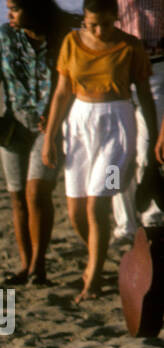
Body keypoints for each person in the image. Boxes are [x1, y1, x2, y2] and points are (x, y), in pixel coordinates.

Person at [43, 0, 158, 301]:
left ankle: (92, 279)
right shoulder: (71, 42)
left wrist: (154, 136)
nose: (99, 30)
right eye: (92, 24)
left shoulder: (129, 46)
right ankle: (99, 254)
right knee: (76, 211)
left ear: (116, 18)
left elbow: (145, 95)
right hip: (79, 127)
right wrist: (50, 137)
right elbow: (61, 93)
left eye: (106, 24)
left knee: (98, 202)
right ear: (84, 19)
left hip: (117, 127)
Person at [0, 0, 77, 285]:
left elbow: (73, 81)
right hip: (14, 125)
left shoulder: (63, 36)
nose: (9, 14)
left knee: (37, 194)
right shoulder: (4, 36)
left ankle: (38, 266)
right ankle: (25, 265)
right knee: (17, 196)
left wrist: (59, 116)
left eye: (16, 8)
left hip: (51, 126)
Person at [112, 0, 164, 238]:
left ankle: (152, 214)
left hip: (157, 69)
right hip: (116, 71)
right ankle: (124, 223)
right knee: (115, 156)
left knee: (148, 150)